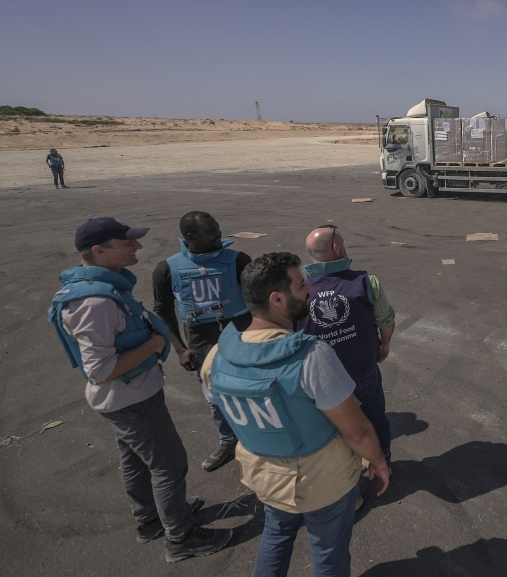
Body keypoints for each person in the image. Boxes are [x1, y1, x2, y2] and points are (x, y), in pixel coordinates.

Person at [48, 217, 232, 562]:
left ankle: (150, 519)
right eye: (127, 242)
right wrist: (156, 344)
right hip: (131, 401)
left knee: (134, 459)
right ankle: (181, 538)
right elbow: (99, 370)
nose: (138, 247)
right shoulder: (95, 303)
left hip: (127, 400)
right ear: (99, 251)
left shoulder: (97, 287)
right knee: (169, 464)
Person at [201, 252, 390, 577]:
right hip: (323, 483)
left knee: (275, 537)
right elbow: (357, 431)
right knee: (329, 554)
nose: (310, 290)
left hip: (266, 478)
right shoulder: (312, 357)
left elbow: (229, 410)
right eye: (301, 284)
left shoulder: (216, 357)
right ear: (277, 299)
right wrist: (378, 461)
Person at [297, 225, 396, 506]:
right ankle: (382, 466)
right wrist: (384, 344)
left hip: (322, 381)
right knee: (375, 419)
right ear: (337, 248)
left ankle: (349, 491)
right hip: (362, 370)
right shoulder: (366, 281)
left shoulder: (298, 290)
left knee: (335, 434)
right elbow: (385, 320)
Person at [152, 211, 252, 472]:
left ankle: (259, 440)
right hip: (201, 344)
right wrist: (179, 348)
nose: (219, 234)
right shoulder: (167, 268)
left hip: (242, 339)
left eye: (218, 228)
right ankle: (229, 440)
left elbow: (261, 300)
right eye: (211, 232)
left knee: (254, 392)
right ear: (190, 237)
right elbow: (162, 310)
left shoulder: (239, 260)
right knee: (214, 397)